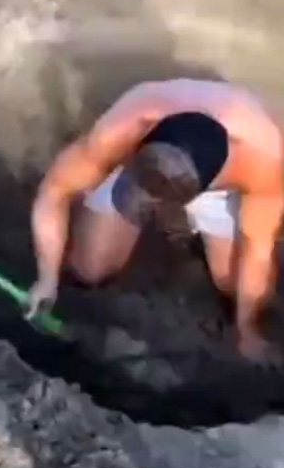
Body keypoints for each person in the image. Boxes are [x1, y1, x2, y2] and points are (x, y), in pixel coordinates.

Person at [28, 78, 284, 362]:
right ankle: (116, 201)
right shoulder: (120, 131)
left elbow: (257, 249)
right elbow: (54, 192)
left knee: (234, 283)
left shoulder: (263, 162)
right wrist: (46, 279)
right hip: (138, 169)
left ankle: (203, 227)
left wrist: (247, 331)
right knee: (89, 269)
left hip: (219, 185)